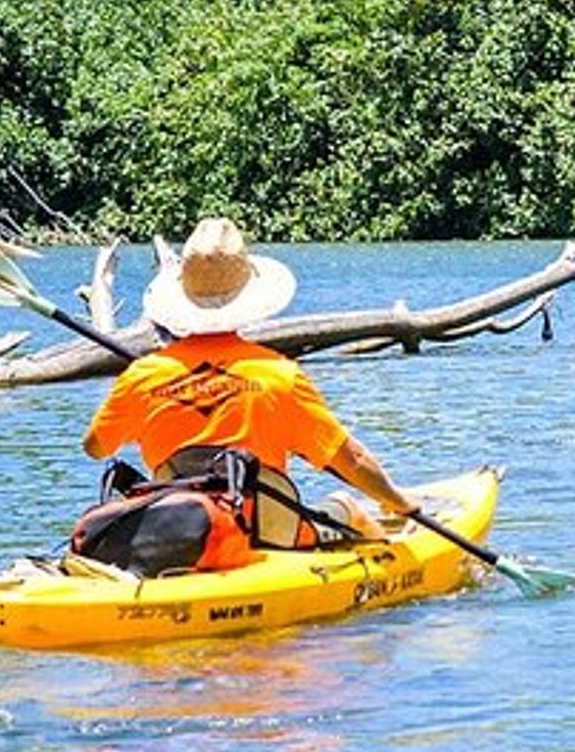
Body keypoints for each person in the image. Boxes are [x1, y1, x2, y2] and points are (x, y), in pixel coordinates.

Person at [81, 216, 419, 565]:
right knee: (346, 506)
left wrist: (154, 408)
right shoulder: (280, 375)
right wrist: (399, 502)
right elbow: (353, 460)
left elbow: (96, 447)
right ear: (247, 297)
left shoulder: (143, 375)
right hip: (266, 534)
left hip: (179, 536)